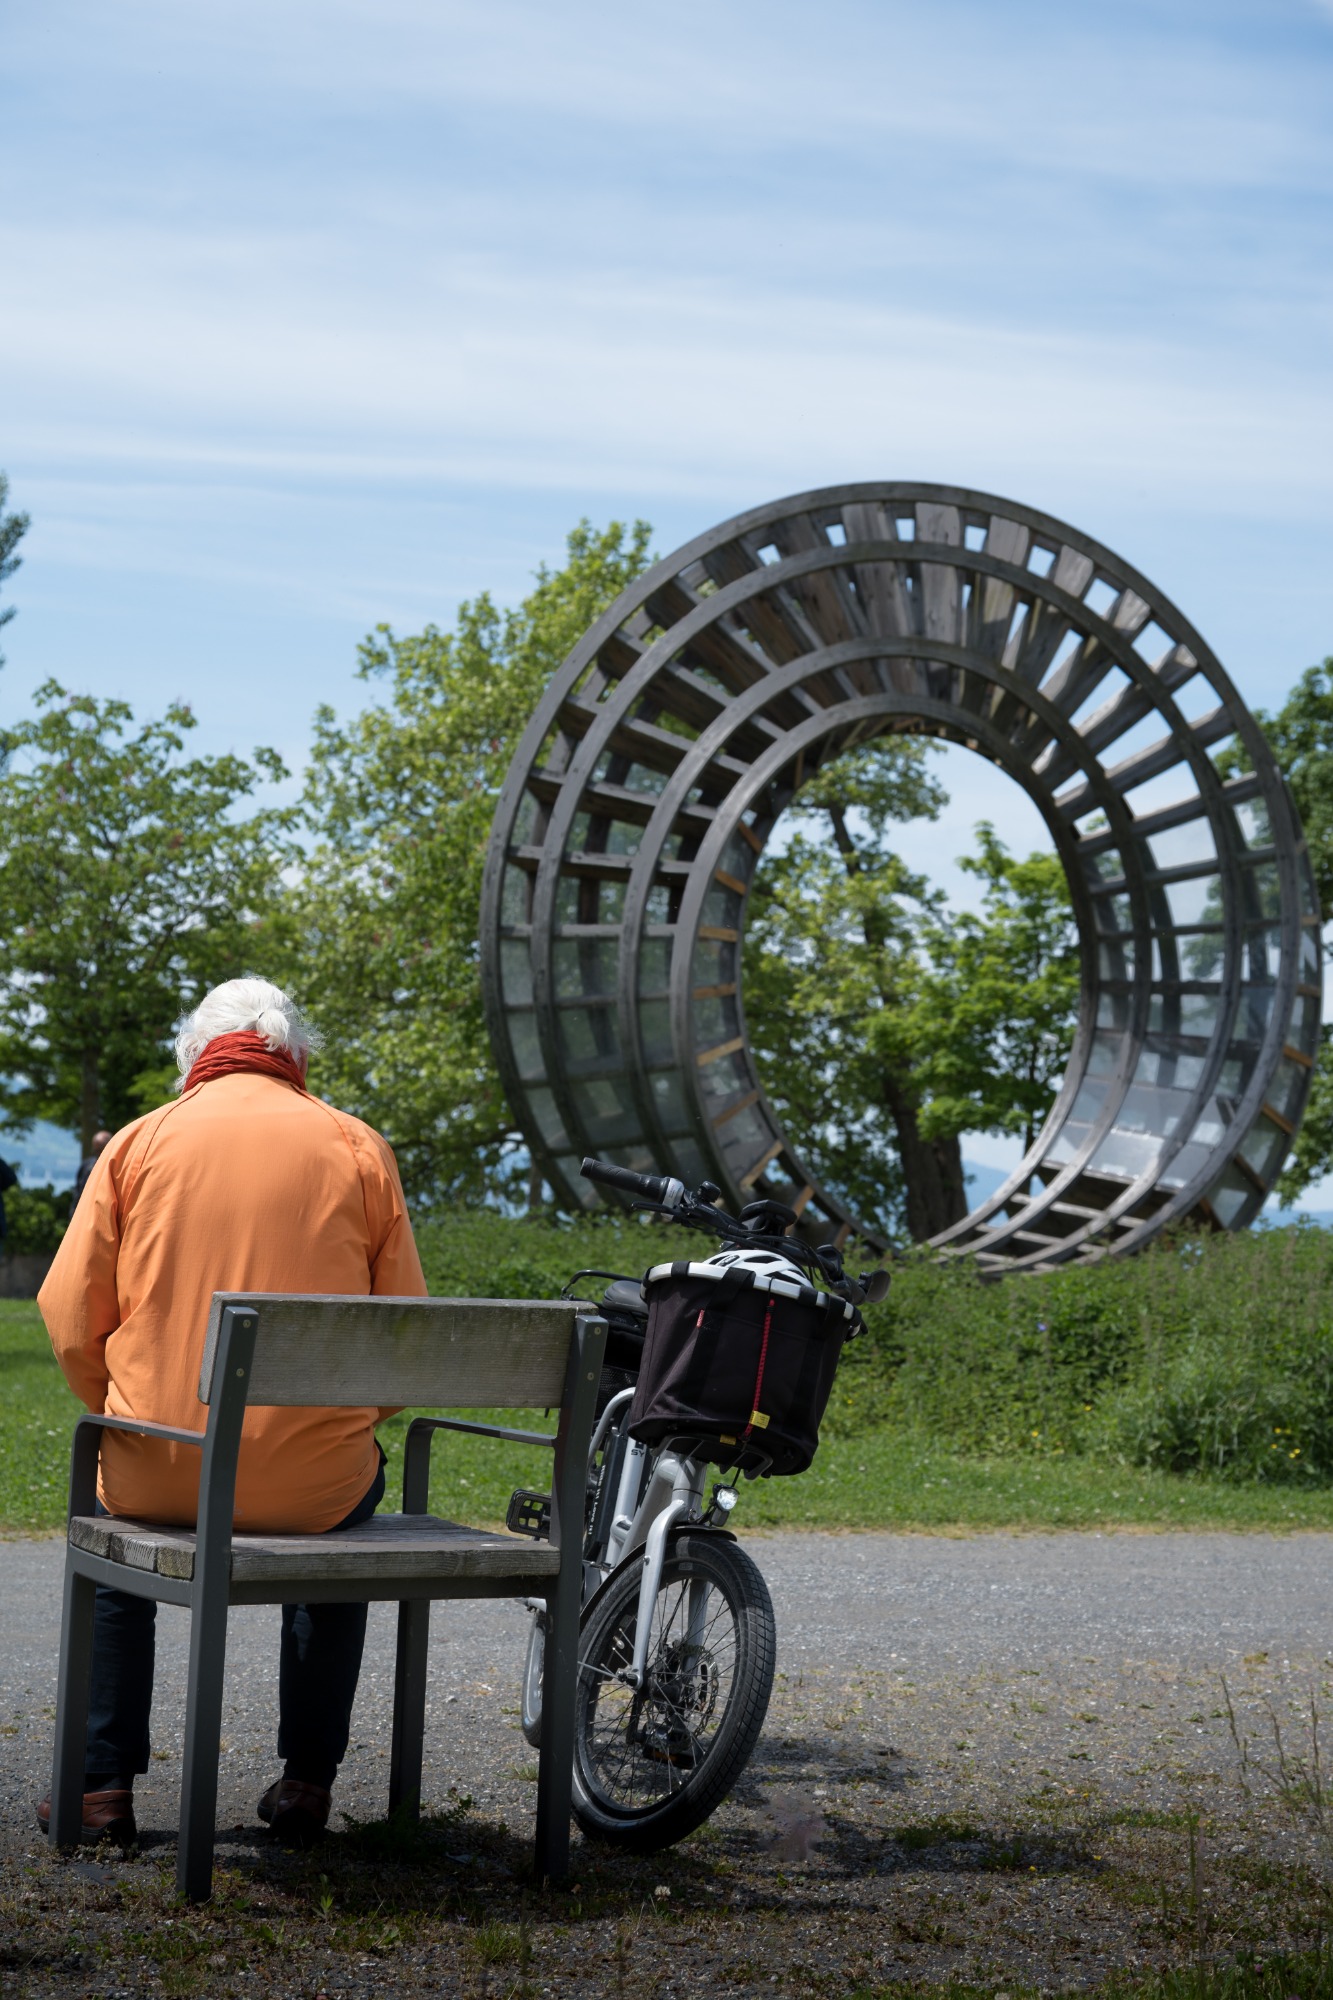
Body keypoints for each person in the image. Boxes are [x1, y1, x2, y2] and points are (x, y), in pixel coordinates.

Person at [36, 977, 426, 1848]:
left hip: (159, 1468)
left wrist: (116, 1407)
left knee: (113, 1542)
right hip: (313, 1487)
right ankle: (307, 1784)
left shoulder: (140, 1142)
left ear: (195, 1053)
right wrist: (342, 1423)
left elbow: (66, 1315)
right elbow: (400, 1333)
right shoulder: (356, 1145)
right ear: (295, 1055)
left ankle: (100, 1790)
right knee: (342, 1517)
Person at [71, 1129, 111, 1205]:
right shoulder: (86, 1166)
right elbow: (78, 1193)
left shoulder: (116, 1167)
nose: (99, 1154)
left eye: (101, 1150)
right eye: (96, 1150)